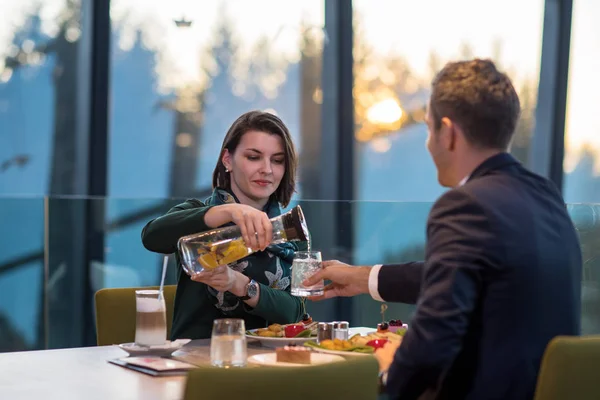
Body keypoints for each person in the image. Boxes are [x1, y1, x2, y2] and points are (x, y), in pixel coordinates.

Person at [304, 59, 582, 400]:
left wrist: (387, 376)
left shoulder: (466, 204)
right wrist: (363, 277)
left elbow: (434, 340)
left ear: (448, 133)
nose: (427, 142)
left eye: (428, 128)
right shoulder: (546, 195)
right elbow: (469, 278)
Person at [142, 110, 308, 340]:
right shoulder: (198, 216)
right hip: (200, 360)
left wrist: (238, 283)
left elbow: (296, 312)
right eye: (253, 157)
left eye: (277, 160)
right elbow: (152, 236)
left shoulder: (291, 230)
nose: (267, 169)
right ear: (227, 159)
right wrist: (228, 211)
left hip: (271, 361)